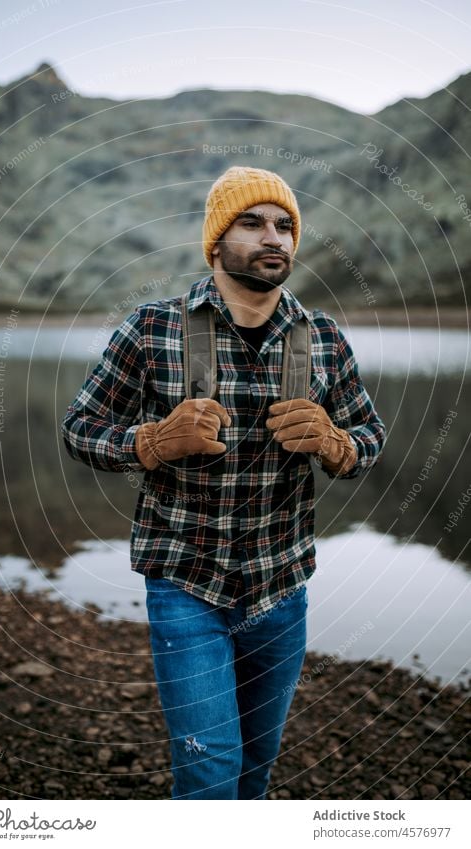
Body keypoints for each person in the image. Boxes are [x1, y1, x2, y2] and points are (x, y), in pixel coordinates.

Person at [61, 165, 387, 800]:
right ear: (216, 241)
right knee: (209, 775)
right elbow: (79, 428)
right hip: (186, 587)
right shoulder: (152, 328)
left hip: (282, 588)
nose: (275, 237)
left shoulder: (320, 338)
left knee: (256, 772)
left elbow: (369, 439)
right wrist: (150, 443)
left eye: (286, 226)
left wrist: (336, 443)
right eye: (253, 222)